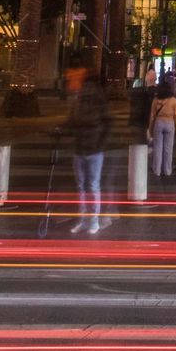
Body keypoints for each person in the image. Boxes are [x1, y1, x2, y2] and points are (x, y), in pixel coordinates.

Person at [66, 78, 110, 235]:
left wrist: (99, 142)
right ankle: (84, 220)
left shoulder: (98, 106)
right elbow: (70, 123)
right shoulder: (77, 105)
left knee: (91, 186)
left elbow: (107, 125)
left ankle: (93, 221)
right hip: (81, 150)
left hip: (93, 151)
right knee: (83, 187)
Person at [148, 80, 176, 177]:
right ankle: (167, 170)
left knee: (157, 148)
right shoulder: (174, 100)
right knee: (168, 149)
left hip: (159, 122)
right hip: (170, 123)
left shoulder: (156, 100)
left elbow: (152, 115)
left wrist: (150, 129)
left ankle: (156, 170)